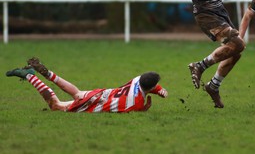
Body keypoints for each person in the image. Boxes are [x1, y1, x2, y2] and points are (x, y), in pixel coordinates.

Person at [5, 57, 168, 112]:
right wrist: (144, 109)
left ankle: (49, 74)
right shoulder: (137, 103)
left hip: (101, 94)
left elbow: (148, 85)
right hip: (95, 105)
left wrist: (159, 90)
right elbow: (138, 107)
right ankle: (30, 76)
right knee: (56, 106)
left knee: (76, 92)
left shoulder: (136, 80)